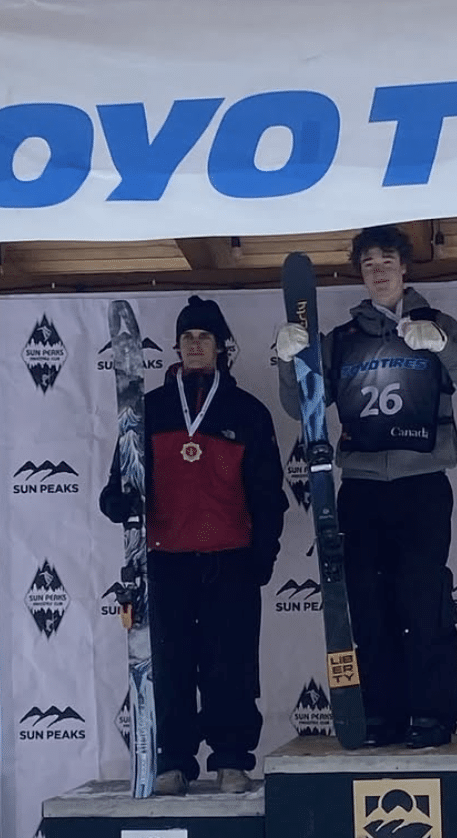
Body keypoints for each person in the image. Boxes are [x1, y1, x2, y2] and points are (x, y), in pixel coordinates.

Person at [274, 225, 457, 749]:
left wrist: (443, 346)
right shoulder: (342, 339)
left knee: (424, 602)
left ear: (404, 267)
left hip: (422, 486)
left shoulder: (438, 324)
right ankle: (380, 713)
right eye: (368, 264)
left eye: (386, 262)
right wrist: (289, 364)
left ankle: (432, 714)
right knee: (368, 605)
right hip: (362, 488)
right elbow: (300, 408)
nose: (378, 272)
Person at [100, 296, 288, 795]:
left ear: (221, 346)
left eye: (205, 337)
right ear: (177, 347)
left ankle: (231, 759)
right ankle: (174, 761)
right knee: (170, 664)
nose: (196, 345)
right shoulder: (149, 409)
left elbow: (269, 495)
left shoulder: (247, 412)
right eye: (187, 338)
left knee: (232, 665)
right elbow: (118, 486)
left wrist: (262, 557)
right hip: (166, 561)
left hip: (231, 560)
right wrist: (118, 501)